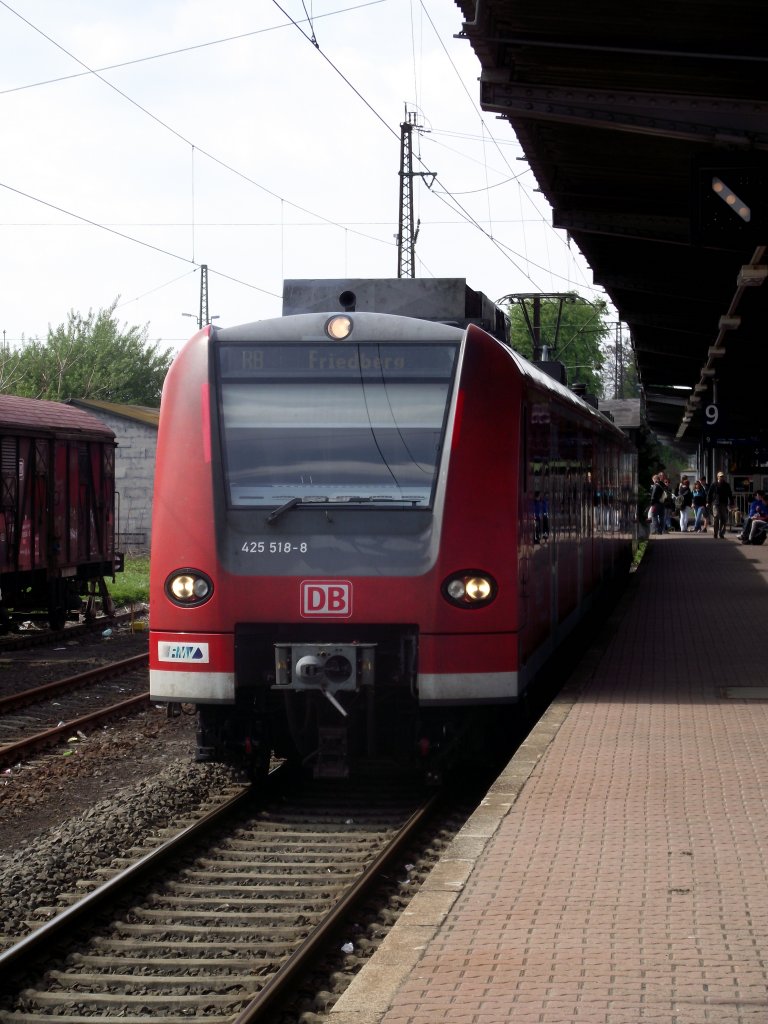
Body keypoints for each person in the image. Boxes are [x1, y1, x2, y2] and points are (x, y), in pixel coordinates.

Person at [707, 472, 734, 539]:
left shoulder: (726, 485)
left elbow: (730, 494)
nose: (721, 477)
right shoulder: (714, 484)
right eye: (720, 476)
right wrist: (708, 502)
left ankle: (721, 533)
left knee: (724, 519)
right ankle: (715, 533)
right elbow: (709, 494)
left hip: (723, 503)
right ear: (717, 477)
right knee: (716, 517)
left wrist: (732, 503)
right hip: (715, 503)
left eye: (722, 476)